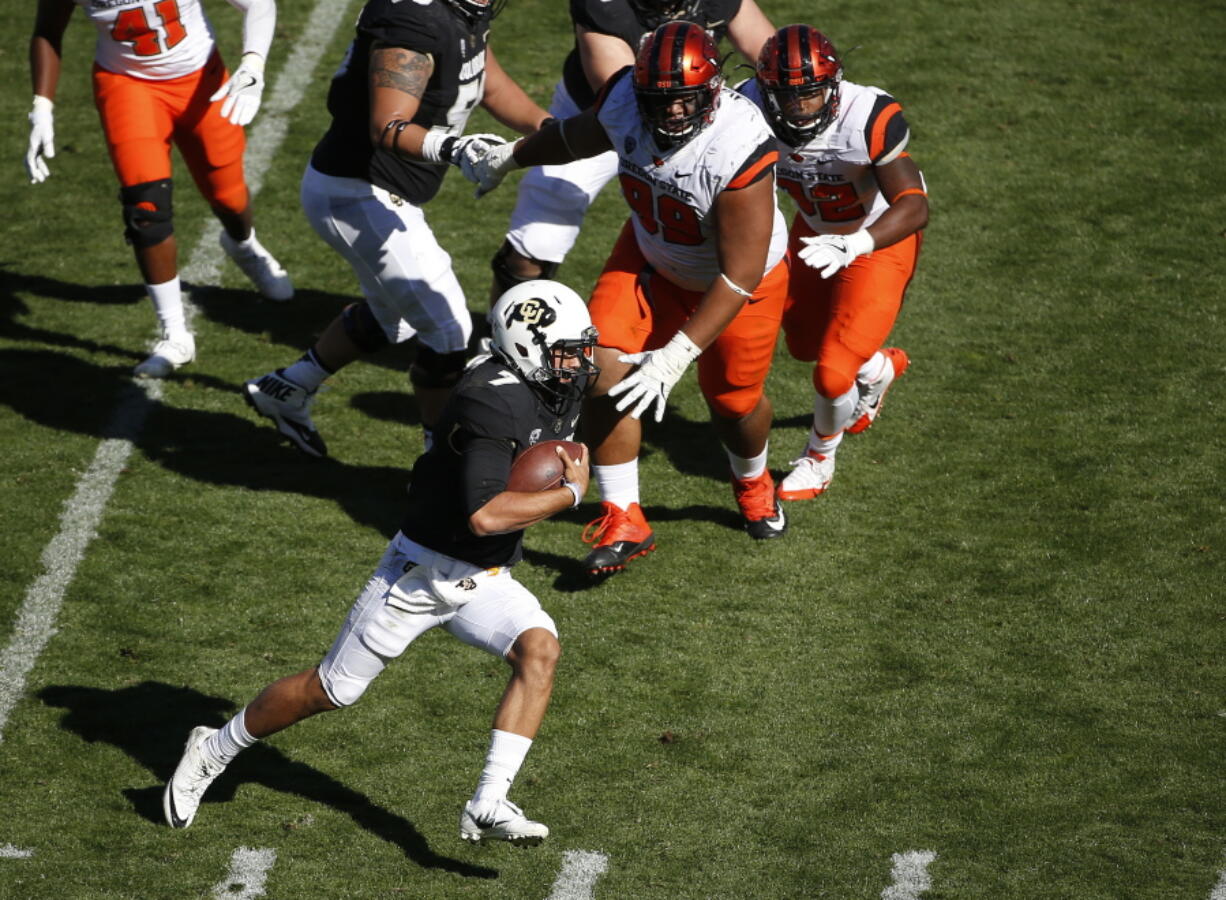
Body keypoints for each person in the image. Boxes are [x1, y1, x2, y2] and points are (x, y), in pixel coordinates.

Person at [163, 280, 599, 845]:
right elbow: (487, 517)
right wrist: (570, 495)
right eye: (568, 352)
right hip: (419, 575)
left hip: (485, 577)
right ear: (525, 348)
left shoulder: (550, 385)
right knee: (332, 690)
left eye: (581, 349)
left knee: (540, 650)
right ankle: (213, 747)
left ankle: (488, 803)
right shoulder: (490, 399)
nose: (579, 364)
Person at [467, 20, 791, 578]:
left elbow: (739, 274)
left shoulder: (739, 145)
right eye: (658, 100)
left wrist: (676, 354)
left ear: (712, 92)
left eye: (683, 100)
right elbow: (574, 138)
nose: (669, 113)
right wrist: (511, 156)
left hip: (738, 281)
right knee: (600, 371)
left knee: (733, 404)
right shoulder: (624, 99)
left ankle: (752, 478)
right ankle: (624, 518)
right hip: (648, 254)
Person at [241, 0, 552, 459]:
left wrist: (550, 128)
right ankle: (441, 465)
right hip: (357, 192)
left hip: (375, 192)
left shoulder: (461, 11)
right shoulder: (414, 18)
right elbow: (387, 124)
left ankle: (287, 388)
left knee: (399, 320)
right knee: (449, 333)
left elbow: (483, 76)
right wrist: (456, 149)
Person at [27, 0, 294, 379]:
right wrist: (41, 105)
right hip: (126, 85)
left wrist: (253, 64)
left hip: (199, 78)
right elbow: (47, 30)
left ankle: (243, 244)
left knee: (227, 194)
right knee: (145, 210)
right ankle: (175, 333)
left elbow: (257, 3)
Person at [740, 25, 928, 499]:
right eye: (787, 95)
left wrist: (857, 244)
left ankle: (819, 459)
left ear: (834, 83)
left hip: (877, 236)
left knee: (830, 372)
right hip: (813, 229)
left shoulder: (865, 115)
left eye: (811, 93)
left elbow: (913, 206)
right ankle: (876, 369)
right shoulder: (745, 110)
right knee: (804, 344)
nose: (799, 106)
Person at [486, 0, 774, 307]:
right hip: (595, 117)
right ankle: (504, 339)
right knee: (537, 240)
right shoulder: (606, 10)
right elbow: (620, 105)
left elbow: (775, 62)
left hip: (693, 121)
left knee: (730, 222)